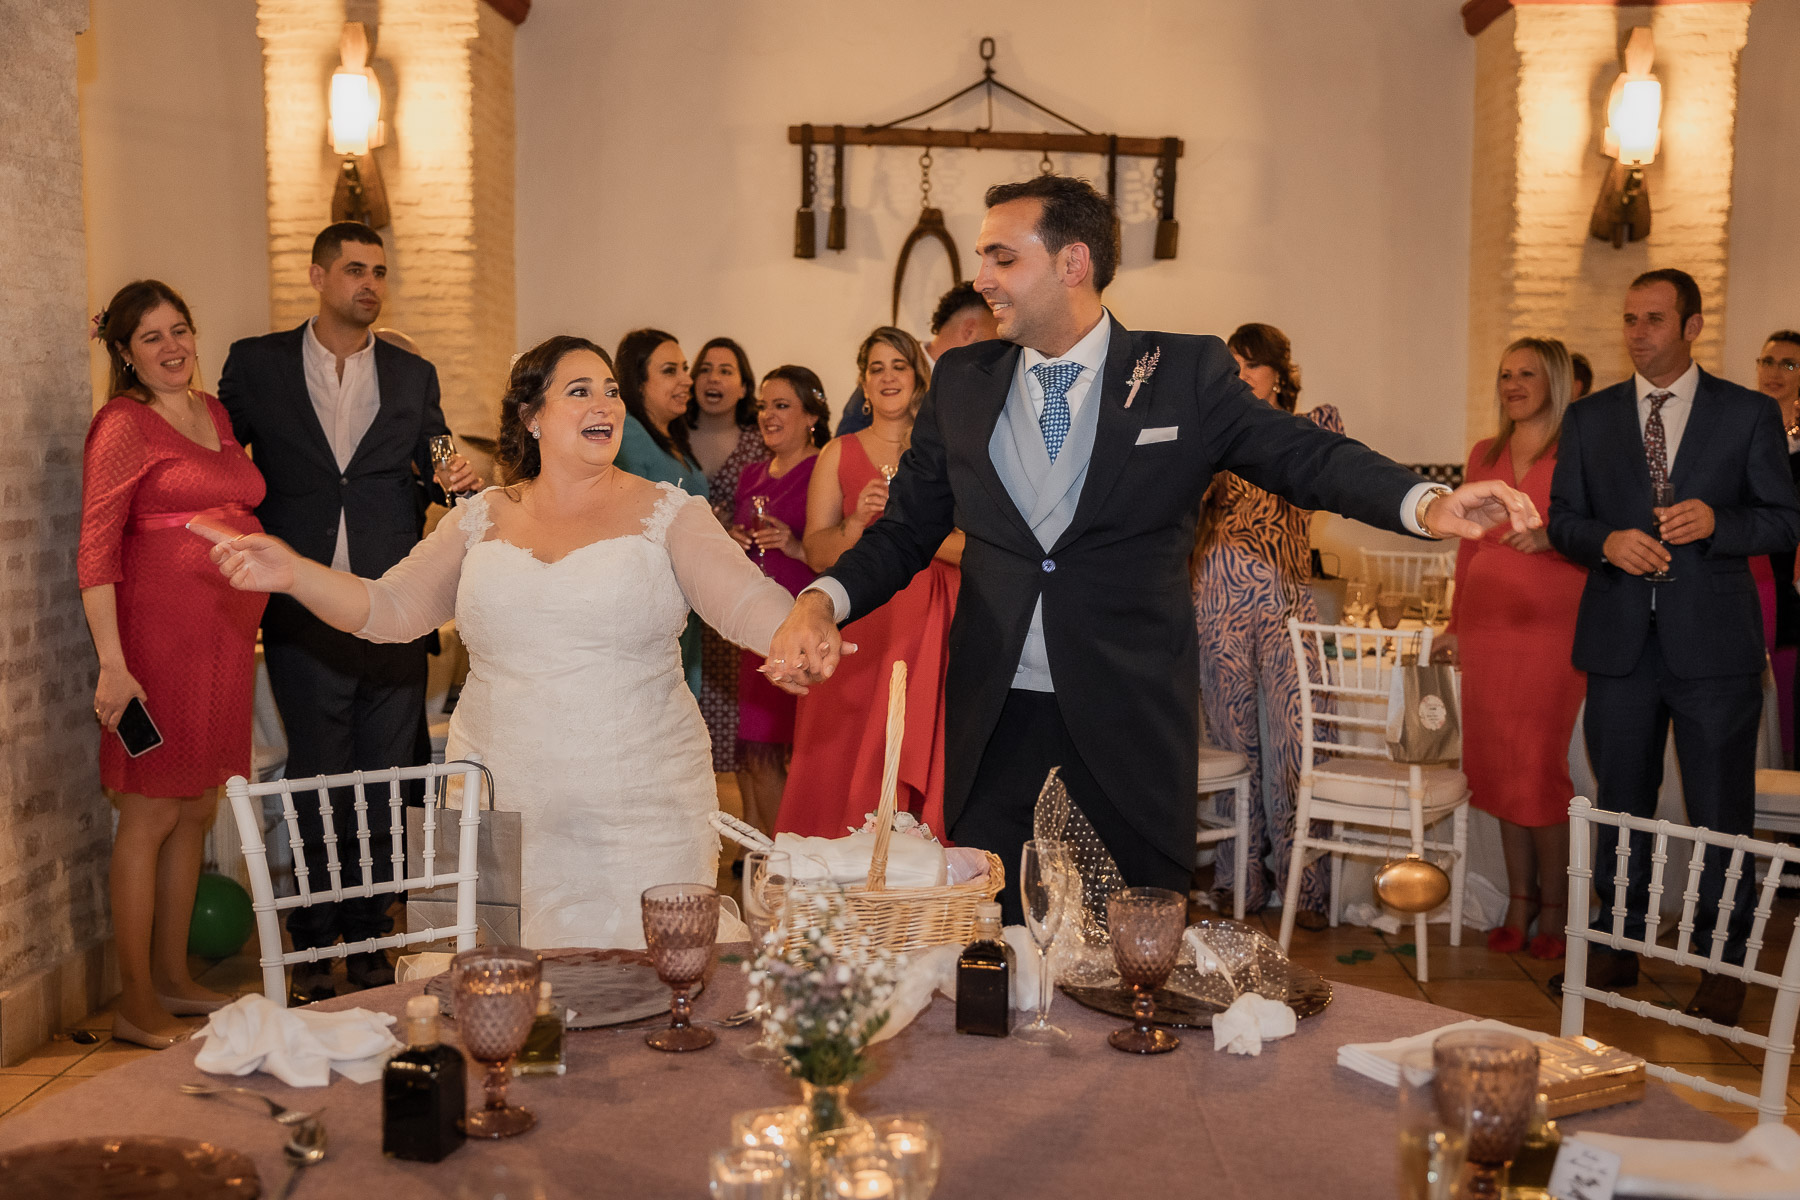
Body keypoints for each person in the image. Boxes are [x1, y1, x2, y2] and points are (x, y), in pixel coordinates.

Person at [765, 175, 1539, 925]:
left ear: (1073, 264)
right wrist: (821, 600)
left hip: (1126, 715)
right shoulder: (964, 380)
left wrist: (1424, 502)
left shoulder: (1181, 373)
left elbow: (1301, 454)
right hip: (995, 713)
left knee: (1130, 950)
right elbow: (906, 530)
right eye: (982, 258)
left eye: (1003, 258)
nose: (983, 280)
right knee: (995, 942)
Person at [204, 337, 796, 949]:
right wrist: (295, 573)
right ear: (531, 416)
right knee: (497, 1001)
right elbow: (390, 608)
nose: (606, 405)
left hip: (635, 806)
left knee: (643, 992)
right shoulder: (477, 517)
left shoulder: (670, 512)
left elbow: (748, 601)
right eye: (580, 391)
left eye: (612, 391)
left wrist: (803, 626)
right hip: (492, 795)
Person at [217, 222, 479, 1004]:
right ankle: (313, 939)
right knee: (315, 775)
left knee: (384, 775)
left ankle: (371, 936)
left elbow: (436, 458)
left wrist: (455, 474)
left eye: (379, 272)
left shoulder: (410, 372)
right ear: (318, 275)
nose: (370, 283)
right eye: (356, 269)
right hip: (300, 607)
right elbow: (221, 460)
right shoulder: (256, 365)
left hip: (391, 604)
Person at [1547, 269, 1800, 1025]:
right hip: (1620, 642)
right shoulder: (1591, 418)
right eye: (1629, 319)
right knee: (1619, 801)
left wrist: (1721, 524)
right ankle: (1617, 943)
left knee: (1719, 809)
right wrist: (1606, 541)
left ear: (1692, 327)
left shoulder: (1746, 413)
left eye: (1654, 319)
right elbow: (1563, 519)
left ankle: (1723, 963)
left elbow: (1784, 521)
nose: (1637, 333)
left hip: (1714, 648)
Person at [77, 281, 268, 1049]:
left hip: (222, 641)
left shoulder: (213, 411)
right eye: (150, 337)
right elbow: (95, 549)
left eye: (180, 329)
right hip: (154, 644)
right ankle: (133, 1001)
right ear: (124, 353)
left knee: (195, 808)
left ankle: (174, 976)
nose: (171, 347)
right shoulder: (123, 424)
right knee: (151, 812)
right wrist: (112, 666)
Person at [1431, 338, 1586, 959]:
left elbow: (1599, 536)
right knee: (1495, 767)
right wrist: (1454, 625)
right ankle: (1519, 900)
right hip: (1488, 628)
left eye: (1526, 373)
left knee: (1539, 769)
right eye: (1504, 374)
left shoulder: (1581, 449)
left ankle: (1557, 907)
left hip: (1554, 629)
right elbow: (1468, 546)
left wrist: (1553, 537)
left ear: (1555, 380)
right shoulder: (1484, 452)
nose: (1512, 383)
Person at [777, 328, 963, 840]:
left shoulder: (946, 453)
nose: (887, 377)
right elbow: (816, 551)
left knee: (915, 744)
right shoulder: (839, 453)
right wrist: (858, 526)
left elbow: (978, 548)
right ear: (863, 381)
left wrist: (912, 531)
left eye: (898, 366)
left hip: (930, 627)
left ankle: (918, 883)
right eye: (876, 368)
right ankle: (838, 881)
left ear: (918, 377)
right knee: (848, 752)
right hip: (866, 627)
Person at [1192, 323, 1341, 928]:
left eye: (1251, 364)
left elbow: (1314, 496)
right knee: (1232, 748)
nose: (1241, 375)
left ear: (1279, 372)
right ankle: (1239, 883)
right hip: (1217, 598)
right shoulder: (1212, 433)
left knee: (1298, 743)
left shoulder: (1313, 427)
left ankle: (1305, 886)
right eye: (1233, 365)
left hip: (1285, 601)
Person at [728, 366, 830, 834]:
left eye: (782, 405)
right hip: (756, 627)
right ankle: (771, 859)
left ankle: (792, 856)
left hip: (802, 622)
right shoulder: (751, 474)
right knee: (756, 749)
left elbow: (837, 550)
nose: (768, 415)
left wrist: (793, 546)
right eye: (764, 406)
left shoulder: (822, 468)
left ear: (812, 415)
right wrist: (734, 540)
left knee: (797, 751)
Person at [686, 337, 769, 779]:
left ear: (742, 387)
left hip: (735, 587)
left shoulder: (760, 444)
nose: (713, 378)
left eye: (725, 370)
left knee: (738, 717)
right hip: (680, 587)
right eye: (704, 369)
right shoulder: (672, 439)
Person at [614, 328, 708, 699]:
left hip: (682, 597)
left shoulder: (669, 436)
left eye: (685, 368)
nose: (687, 380)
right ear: (638, 382)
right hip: (651, 599)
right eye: (670, 370)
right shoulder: (629, 437)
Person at [836, 282, 1000, 436]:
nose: (997, 349)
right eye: (993, 336)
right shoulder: (886, 375)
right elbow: (849, 444)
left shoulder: (976, 386)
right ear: (969, 330)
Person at [1755, 330, 1800, 762]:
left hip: (1790, 582)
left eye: (1789, 364)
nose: (1775, 372)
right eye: (1767, 362)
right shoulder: (1740, 429)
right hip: (1749, 576)